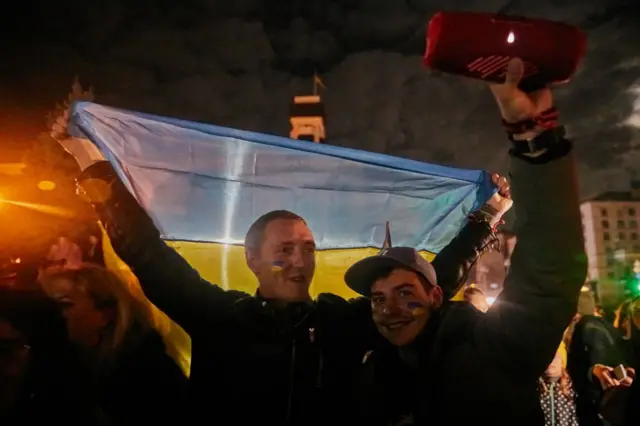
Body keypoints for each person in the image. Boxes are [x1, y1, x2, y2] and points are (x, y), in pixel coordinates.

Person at [54, 101, 506, 425]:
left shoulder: (339, 324)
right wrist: (93, 169)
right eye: (284, 250)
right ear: (251, 258)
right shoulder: (220, 317)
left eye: (308, 249)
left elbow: (426, 285)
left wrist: (484, 222)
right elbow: (147, 254)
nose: (299, 262)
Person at [344, 58, 587, 426]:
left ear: (436, 296)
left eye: (406, 293)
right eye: (379, 298)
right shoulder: (376, 371)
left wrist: (534, 140)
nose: (391, 308)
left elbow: (547, 272)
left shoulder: (493, 347)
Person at [39, 264, 188, 425]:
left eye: (65, 305)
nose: (55, 315)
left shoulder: (145, 375)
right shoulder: (65, 363)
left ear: (105, 314)